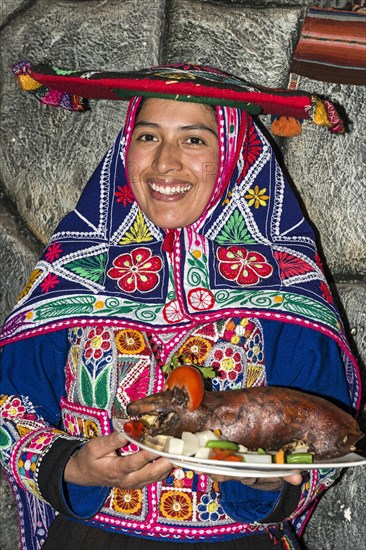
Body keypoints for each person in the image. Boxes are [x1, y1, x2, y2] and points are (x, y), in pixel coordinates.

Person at [0, 63, 360, 550]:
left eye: (194, 140)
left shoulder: (284, 288)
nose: (165, 163)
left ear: (233, 153)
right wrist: (71, 465)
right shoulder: (73, 275)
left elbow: (326, 432)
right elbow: (8, 403)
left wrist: (267, 479)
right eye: (148, 136)